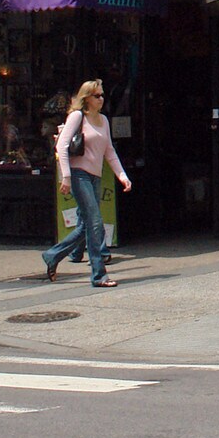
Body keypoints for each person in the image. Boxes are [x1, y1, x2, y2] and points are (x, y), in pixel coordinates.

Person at [41, 81, 130, 288]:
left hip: (95, 176)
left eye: (102, 95)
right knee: (96, 222)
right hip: (79, 175)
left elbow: (109, 151)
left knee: (86, 225)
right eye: (97, 95)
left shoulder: (104, 121)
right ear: (87, 98)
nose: (101, 99)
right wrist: (66, 177)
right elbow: (62, 146)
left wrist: (122, 176)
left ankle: (52, 255)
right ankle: (99, 275)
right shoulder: (77, 117)